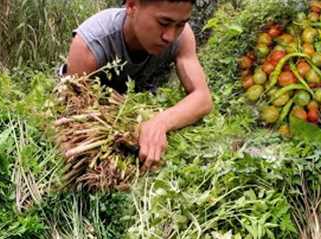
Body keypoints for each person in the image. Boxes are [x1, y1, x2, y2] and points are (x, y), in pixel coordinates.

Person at [63, 0, 213, 170]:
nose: (170, 36)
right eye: (163, 23)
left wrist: (159, 123)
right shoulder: (90, 44)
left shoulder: (182, 36)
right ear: (132, 6)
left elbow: (202, 97)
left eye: (180, 24)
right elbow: (71, 117)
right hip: (97, 107)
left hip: (134, 98)